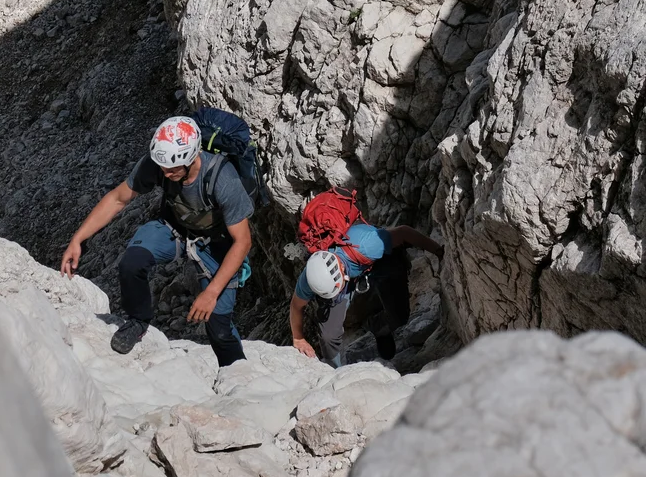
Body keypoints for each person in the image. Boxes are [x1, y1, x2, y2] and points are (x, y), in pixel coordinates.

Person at [61, 116, 254, 367]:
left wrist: (211, 292)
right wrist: (78, 239)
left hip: (218, 243)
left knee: (218, 325)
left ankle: (237, 370)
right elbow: (118, 199)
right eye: (163, 168)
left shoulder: (222, 179)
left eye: (173, 169)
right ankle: (138, 322)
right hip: (174, 227)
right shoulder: (160, 164)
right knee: (132, 263)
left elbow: (242, 242)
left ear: (192, 157)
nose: (166, 173)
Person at [288, 221, 444, 366]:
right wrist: (299, 338)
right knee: (329, 335)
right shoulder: (311, 277)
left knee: (400, 316)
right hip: (349, 270)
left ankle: (379, 327)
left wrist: (438, 251)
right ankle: (333, 369)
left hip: (378, 261)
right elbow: (296, 305)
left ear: (342, 273)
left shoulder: (370, 246)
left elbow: (404, 232)